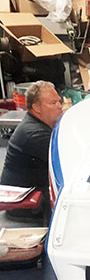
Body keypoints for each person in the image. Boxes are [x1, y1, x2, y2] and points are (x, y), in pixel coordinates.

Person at [0, 80, 63, 222]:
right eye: (53, 103)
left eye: (59, 101)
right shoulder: (33, 134)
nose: (60, 106)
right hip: (27, 206)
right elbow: (68, 160)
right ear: (36, 107)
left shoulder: (39, 125)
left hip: (37, 192)